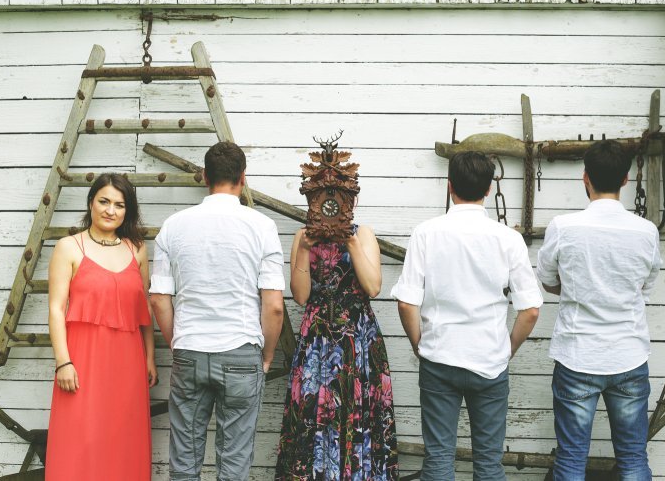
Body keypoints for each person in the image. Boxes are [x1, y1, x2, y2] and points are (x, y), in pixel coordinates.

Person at [393, 151, 543, 481]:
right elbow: (530, 310)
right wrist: (507, 349)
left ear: (449, 186)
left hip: (439, 358)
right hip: (490, 361)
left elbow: (406, 304)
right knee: (489, 464)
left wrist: (420, 345)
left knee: (438, 459)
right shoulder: (509, 239)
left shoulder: (426, 233)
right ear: (489, 189)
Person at [149, 141, 285, 480]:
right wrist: (267, 356)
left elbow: (159, 299)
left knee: (184, 463)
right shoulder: (262, 226)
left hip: (190, 351)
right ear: (243, 177)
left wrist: (181, 342)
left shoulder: (173, 226)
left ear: (205, 176)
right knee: (234, 465)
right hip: (241, 351)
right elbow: (273, 306)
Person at [536, 140, 661, 480]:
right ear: (626, 179)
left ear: (585, 177)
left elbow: (547, 280)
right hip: (628, 355)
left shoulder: (564, 227)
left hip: (578, 355)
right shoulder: (646, 231)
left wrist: (576, 290)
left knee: (571, 460)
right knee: (633, 459)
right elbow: (645, 288)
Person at [46, 173, 157, 481]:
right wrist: (63, 362)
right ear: (91, 203)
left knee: (123, 440)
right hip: (82, 361)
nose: (110, 210)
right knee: (80, 440)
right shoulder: (69, 247)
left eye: (119, 205)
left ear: (127, 210)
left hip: (129, 363)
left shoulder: (137, 249)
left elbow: (145, 308)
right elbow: (56, 308)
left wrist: (150, 358)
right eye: (104, 202)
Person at [275, 222, 399, 479]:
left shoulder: (362, 234)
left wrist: (351, 242)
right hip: (317, 341)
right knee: (313, 411)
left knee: (357, 409)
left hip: (357, 340)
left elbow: (373, 287)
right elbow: (300, 295)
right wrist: (304, 249)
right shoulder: (302, 236)